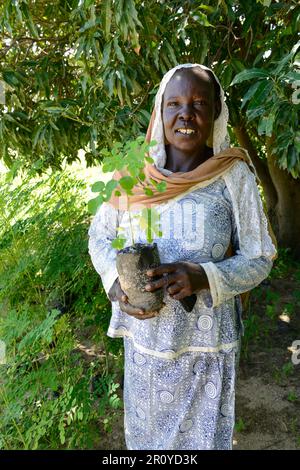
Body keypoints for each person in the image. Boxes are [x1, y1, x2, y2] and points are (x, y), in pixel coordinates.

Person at [88, 63, 277, 450]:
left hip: (207, 351)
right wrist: (115, 286)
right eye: (173, 103)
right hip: (145, 349)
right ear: (160, 112)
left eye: (198, 104)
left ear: (215, 113)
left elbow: (260, 256)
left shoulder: (233, 175)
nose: (185, 114)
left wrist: (204, 275)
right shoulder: (134, 175)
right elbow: (99, 236)